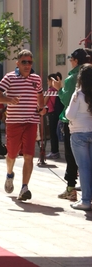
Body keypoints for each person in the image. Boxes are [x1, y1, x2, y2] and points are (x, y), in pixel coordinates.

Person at [0, 49, 46, 201]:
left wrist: (41, 108)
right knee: (12, 154)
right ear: (18, 63)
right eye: (24, 62)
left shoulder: (36, 79)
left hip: (31, 122)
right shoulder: (9, 78)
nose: (27, 65)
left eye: (29, 62)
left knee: (29, 156)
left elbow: (40, 95)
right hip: (14, 122)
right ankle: (9, 174)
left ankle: (24, 188)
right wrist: (9, 100)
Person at [53, 48, 90, 201]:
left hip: (75, 126)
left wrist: (59, 89)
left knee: (74, 159)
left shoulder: (72, 80)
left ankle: (71, 188)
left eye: (71, 59)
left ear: (75, 60)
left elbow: (67, 104)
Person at [65, 63, 92, 210]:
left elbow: (69, 114)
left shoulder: (78, 94)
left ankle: (86, 200)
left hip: (79, 133)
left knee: (84, 168)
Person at [44, 72, 64, 159]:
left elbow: (43, 102)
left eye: (48, 80)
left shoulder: (50, 91)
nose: (47, 82)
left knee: (53, 134)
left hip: (52, 113)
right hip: (58, 113)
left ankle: (54, 152)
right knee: (57, 133)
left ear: (51, 81)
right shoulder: (60, 90)